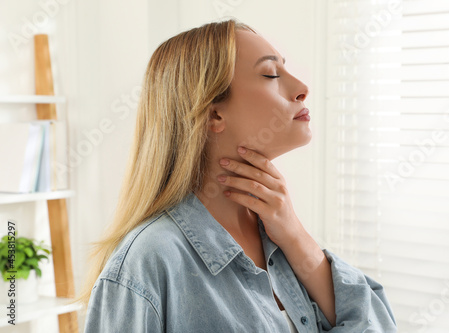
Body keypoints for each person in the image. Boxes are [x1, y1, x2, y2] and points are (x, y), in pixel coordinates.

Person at [75, 18, 398, 332]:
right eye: (271, 74)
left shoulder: (278, 235)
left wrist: (297, 238)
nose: (301, 88)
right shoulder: (149, 260)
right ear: (214, 113)